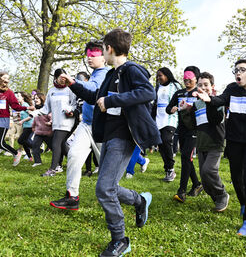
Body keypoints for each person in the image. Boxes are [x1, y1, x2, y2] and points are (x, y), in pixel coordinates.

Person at [58, 28, 161, 257]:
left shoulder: (131, 69)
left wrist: (113, 99)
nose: (101, 52)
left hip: (125, 136)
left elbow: (147, 92)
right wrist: (73, 83)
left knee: (104, 189)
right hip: (110, 135)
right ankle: (140, 200)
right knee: (109, 186)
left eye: (102, 48)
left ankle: (120, 239)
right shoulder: (112, 75)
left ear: (109, 48)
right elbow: (96, 98)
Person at [194, 59, 246, 236]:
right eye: (236, 70)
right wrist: (209, 99)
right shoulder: (231, 89)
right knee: (236, 178)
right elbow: (221, 100)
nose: (238, 73)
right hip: (233, 141)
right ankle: (244, 203)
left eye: (242, 70)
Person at [50, 40, 107, 208]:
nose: (89, 59)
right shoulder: (95, 72)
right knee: (74, 155)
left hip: (101, 128)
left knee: (107, 168)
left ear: (103, 57)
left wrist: (73, 81)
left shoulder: (104, 73)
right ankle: (72, 197)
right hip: (86, 124)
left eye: (94, 55)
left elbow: (93, 87)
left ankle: (131, 198)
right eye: (88, 55)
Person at [182, 72, 229, 211]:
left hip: (215, 142)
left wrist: (209, 102)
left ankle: (222, 194)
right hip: (202, 144)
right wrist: (186, 111)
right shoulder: (196, 104)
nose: (203, 87)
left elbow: (216, 119)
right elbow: (192, 125)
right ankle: (217, 199)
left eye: (206, 85)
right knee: (204, 176)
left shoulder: (218, 101)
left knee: (209, 171)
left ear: (212, 86)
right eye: (200, 85)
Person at [166, 66, 203, 203]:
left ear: (196, 79)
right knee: (186, 157)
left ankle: (181, 191)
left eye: (190, 77)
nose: (186, 79)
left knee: (186, 156)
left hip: (195, 130)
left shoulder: (199, 92)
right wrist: (172, 109)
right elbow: (168, 108)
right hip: (181, 129)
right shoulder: (179, 93)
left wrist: (191, 107)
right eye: (185, 76)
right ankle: (197, 184)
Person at [31, 68, 77, 176]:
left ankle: (53, 169)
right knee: (62, 144)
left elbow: (74, 105)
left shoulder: (70, 89)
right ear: (55, 78)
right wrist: (33, 113)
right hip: (56, 122)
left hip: (67, 121)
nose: (63, 80)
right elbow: (46, 108)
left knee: (55, 143)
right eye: (61, 78)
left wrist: (70, 111)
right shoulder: (51, 91)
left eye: (65, 77)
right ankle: (75, 163)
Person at [0, 71, 34, 165]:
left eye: (8, 78)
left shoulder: (9, 93)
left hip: (3, 119)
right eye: (5, 78)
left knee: (1, 143)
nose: (7, 80)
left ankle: (16, 153)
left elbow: (15, 106)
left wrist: (27, 107)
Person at [154, 67, 182, 182]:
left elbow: (181, 101)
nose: (158, 78)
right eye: (157, 76)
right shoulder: (157, 87)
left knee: (166, 140)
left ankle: (171, 168)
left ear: (167, 75)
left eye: (160, 75)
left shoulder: (175, 86)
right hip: (158, 118)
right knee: (160, 144)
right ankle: (167, 168)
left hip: (170, 118)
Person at [31, 92, 53, 167]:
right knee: (34, 146)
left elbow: (51, 117)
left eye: (37, 98)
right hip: (39, 132)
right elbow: (35, 118)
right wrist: (33, 126)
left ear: (41, 99)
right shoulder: (36, 109)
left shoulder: (46, 108)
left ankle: (59, 160)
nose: (35, 100)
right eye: (34, 99)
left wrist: (50, 122)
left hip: (47, 132)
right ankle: (37, 161)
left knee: (53, 147)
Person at [16, 91, 34, 163]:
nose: (17, 98)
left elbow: (31, 115)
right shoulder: (22, 106)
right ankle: (30, 157)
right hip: (25, 126)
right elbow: (25, 115)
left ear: (23, 97)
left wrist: (22, 121)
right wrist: (18, 118)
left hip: (30, 126)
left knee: (20, 140)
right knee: (24, 141)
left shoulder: (25, 105)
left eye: (18, 96)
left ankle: (36, 147)